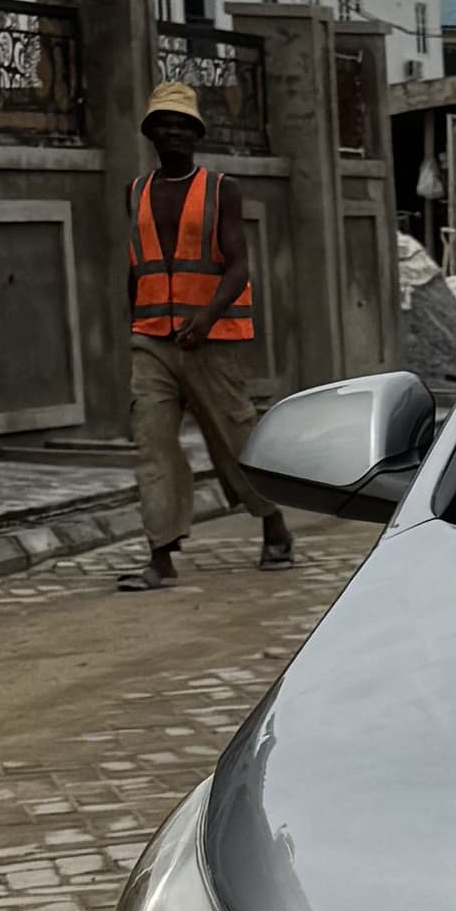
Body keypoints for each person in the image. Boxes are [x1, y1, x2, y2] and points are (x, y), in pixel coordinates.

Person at [123, 78, 293, 589]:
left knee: (235, 437)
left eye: (182, 124)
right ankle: (160, 555)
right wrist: (135, 324)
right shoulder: (134, 191)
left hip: (211, 339)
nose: (173, 131)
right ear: (151, 132)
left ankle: (273, 523)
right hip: (152, 341)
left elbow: (239, 266)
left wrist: (206, 318)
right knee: (151, 446)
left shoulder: (222, 189)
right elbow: (135, 267)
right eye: (164, 124)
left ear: (196, 133)